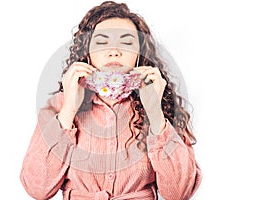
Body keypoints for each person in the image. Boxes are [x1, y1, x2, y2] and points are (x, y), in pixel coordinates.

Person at [20, 1, 202, 199]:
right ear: (87, 54)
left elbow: (179, 193)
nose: (114, 51)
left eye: (126, 42)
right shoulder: (59, 106)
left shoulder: (160, 105)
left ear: (140, 57)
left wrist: (155, 114)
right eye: (102, 42)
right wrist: (68, 111)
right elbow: (37, 189)